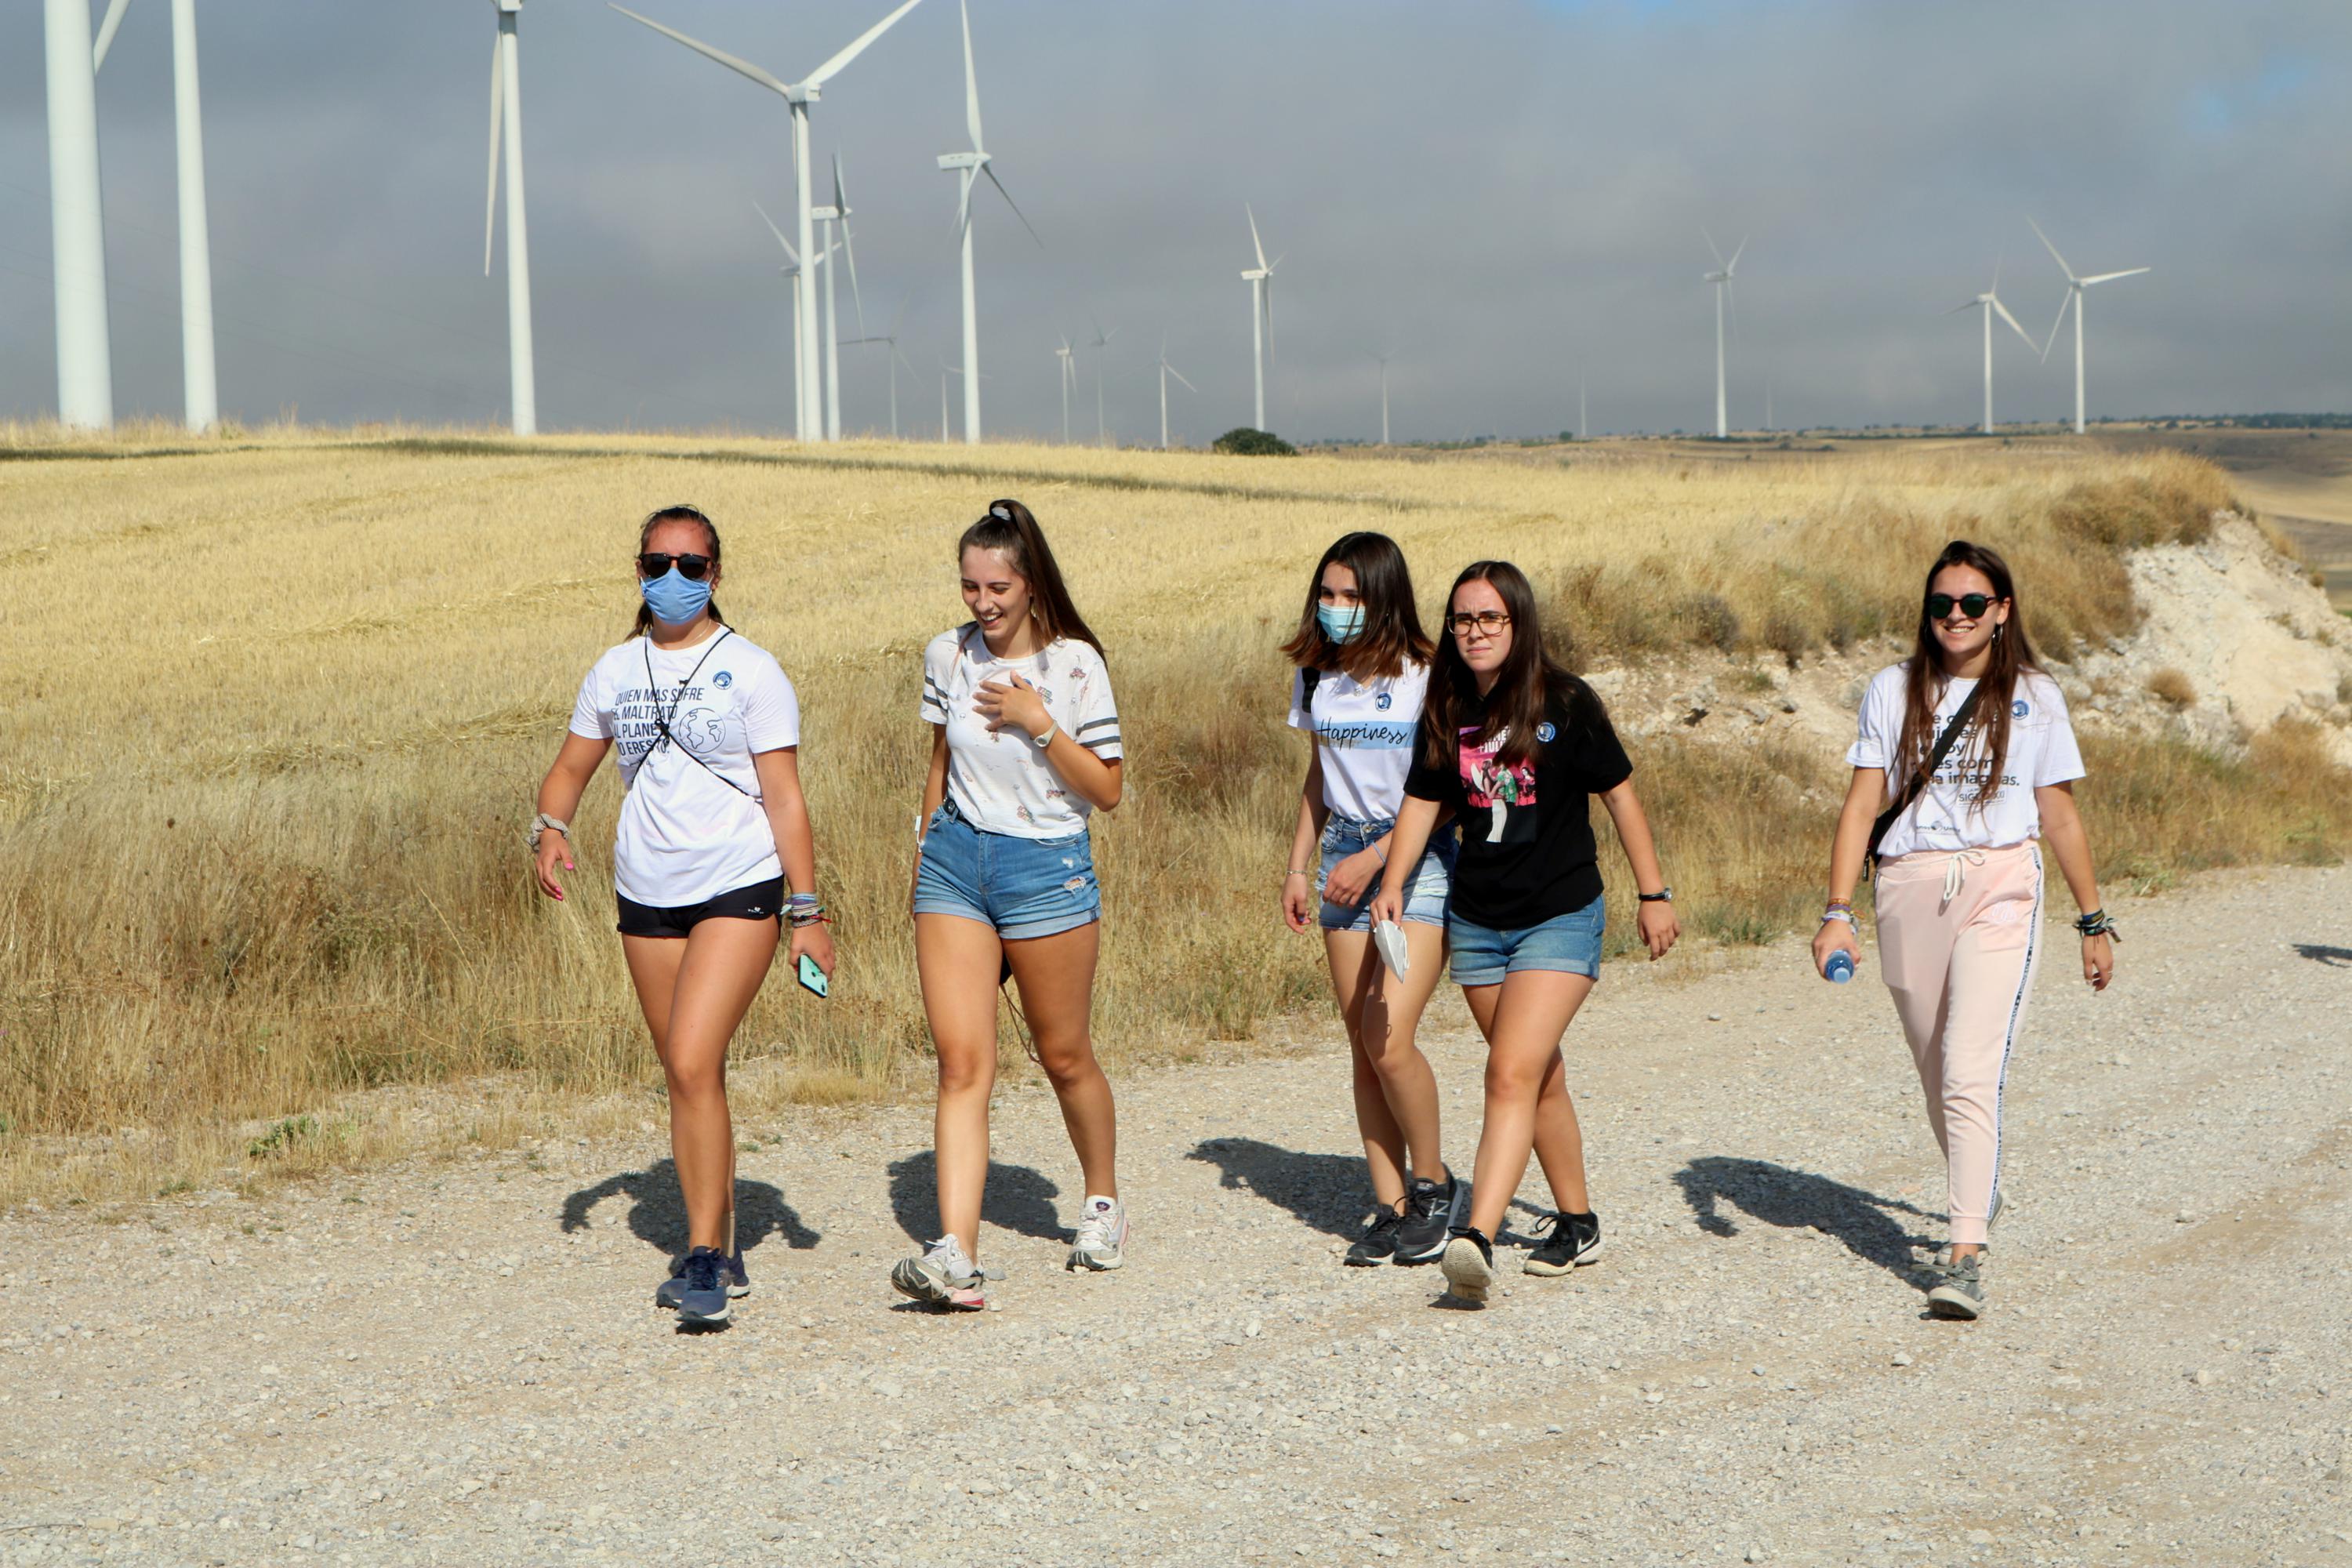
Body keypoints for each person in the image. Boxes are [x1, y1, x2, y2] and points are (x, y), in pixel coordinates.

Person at [533, 504, 834, 1328]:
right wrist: (550, 830)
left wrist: (807, 913)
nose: (672, 578)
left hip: (738, 884)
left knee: (695, 1057)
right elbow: (569, 768)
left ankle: (703, 1257)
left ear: (716, 574)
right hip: (646, 894)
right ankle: (726, 1236)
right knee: (686, 1070)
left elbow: (785, 796)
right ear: (638, 568)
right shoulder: (615, 669)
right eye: (657, 562)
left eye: (691, 565)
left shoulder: (754, 670)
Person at [1813, 539, 2116, 1320]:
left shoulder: (2036, 695)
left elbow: (2058, 812)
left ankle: (1964, 1252)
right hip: (1909, 886)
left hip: (2002, 884)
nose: (1955, 616)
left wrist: (2092, 918)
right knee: (1932, 1065)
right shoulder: (1892, 689)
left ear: (2002, 610)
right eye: (1942, 603)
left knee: (1968, 1070)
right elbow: (1859, 806)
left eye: (1973, 603)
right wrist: (1836, 911)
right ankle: (1977, 1180)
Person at [1371, 561, 1679, 1306]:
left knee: (1507, 1073)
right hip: (1478, 924)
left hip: (1560, 916)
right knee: (1537, 1076)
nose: (1474, 632)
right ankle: (1577, 1222)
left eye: (1490, 619)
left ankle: (1474, 1238)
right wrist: (1390, 884)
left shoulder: (1565, 702)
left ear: (1518, 623)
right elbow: (1422, 802)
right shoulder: (1447, 706)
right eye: (1462, 619)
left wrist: (1654, 892)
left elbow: (1621, 798)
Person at [892, 499, 1127, 1311]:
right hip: (955, 865)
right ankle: (955, 1251)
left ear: (1031, 585)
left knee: (1063, 1055)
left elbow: (1107, 791)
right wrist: (923, 846)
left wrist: (1038, 722)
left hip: (1045, 870)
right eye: (969, 586)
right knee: (962, 1063)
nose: (982, 602)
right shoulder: (946, 656)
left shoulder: (1076, 666)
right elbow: (938, 758)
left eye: (996, 586)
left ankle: (1101, 1200)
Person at [1279, 532, 1463, 1266]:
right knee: (1361, 1042)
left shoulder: (1428, 674)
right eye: (1327, 595)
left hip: (1415, 855)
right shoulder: (1317, 677)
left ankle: (1434, 1184)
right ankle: (1388, 1206)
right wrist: (1298, 868)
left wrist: (1379, 858)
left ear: (1384, 597)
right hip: (1339, 857)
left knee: (1391, 1040)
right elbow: (1319, 778)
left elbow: (1446, 794)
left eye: (1351, 596)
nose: (1335, 609)